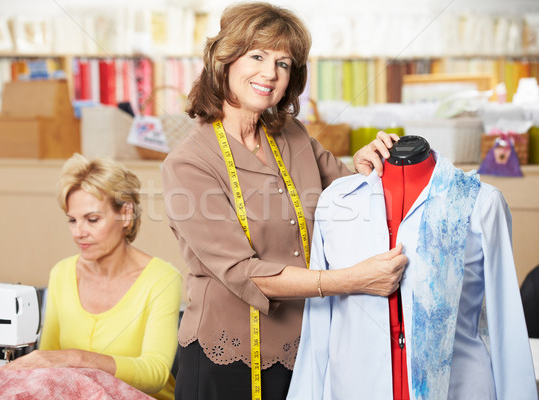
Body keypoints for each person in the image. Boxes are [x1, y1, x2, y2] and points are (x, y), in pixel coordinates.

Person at [161, 2, 407, 399]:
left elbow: (351, 201)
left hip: (308, 347)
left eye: (284, 62)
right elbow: (245, 272)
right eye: (257, 56)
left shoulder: (292, 135)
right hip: (228, 361)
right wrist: (351, 281)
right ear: (224, 61)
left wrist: (366, 167)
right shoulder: (188, 163)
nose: (270, 73)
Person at [287, 137, 538, 399]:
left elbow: (506, 323)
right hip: (354, 387)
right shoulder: (336, 202)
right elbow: (318, 327)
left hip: (460, 388)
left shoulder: (482, 203)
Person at [0, 154, 182, 400]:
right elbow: (48, 363)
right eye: (72, 220)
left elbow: (155, 374)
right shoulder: (62, 273)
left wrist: (77, 358)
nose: (78, 232)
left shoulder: (162, 279)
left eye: (92, 219)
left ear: (125, 214)